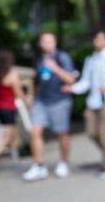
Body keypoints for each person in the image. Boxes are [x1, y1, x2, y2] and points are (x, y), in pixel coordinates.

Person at [64, 30, 105, 179]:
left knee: (103, 133)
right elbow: (86, 81)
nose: (97, 42)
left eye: (100, 39)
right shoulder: (91, 59)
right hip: (94, 102)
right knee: (91, 132)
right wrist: (72, 88)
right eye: (95, 39)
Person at [23, 33, 76, 182]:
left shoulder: (62, 57)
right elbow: (38, 81)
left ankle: (64, 163)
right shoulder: (39, 59)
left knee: (62, 133)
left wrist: (55, 68)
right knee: (34, 131)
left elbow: (71, 79)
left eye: (51, 41)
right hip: (41, 101)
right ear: (40, 43)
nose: (48, 44)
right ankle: (38, 165)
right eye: (45, 41)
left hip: (59, 100)